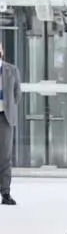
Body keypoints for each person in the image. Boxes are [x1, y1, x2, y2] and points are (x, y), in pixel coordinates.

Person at [0, 44, 18, 206]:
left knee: (5, 157)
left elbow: (17, 93)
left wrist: (9, 108)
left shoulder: (11, 70)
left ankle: (5, 193)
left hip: (5, 118)